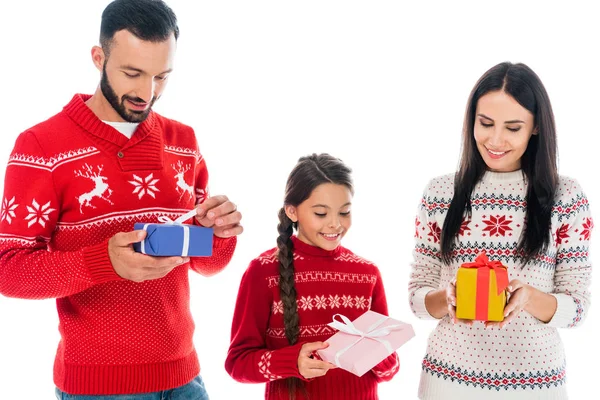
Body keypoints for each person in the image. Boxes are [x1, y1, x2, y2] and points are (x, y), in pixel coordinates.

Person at [0, 0, 242, 398]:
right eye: (133, 73)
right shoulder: (40, 146)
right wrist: (103, 262)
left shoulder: (183, 142)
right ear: (99, 58)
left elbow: (206, 262)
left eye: (161, 77)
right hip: (99, 389)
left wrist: (220, 232)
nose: (147, 93)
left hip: (185, 379)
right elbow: (9, 271)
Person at [408, 62, 592, 399]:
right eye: (486, 123)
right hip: (447, 381)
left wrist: (528, 298)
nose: (495, 140)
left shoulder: (566, 197)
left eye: (513, 127)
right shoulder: (439, 193)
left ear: (536, 127)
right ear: (472, 121)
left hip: (535, 384)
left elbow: (577, 307)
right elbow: (417, 298)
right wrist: (446, 298)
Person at [225, 153, 399, 400]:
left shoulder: (367, 273)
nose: (335, 225)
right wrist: (291, 362)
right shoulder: (263, 271)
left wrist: (381, 355)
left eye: (344, 212)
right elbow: (238, 364)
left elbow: (389, 370)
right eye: (321, 213)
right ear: (292, 211)